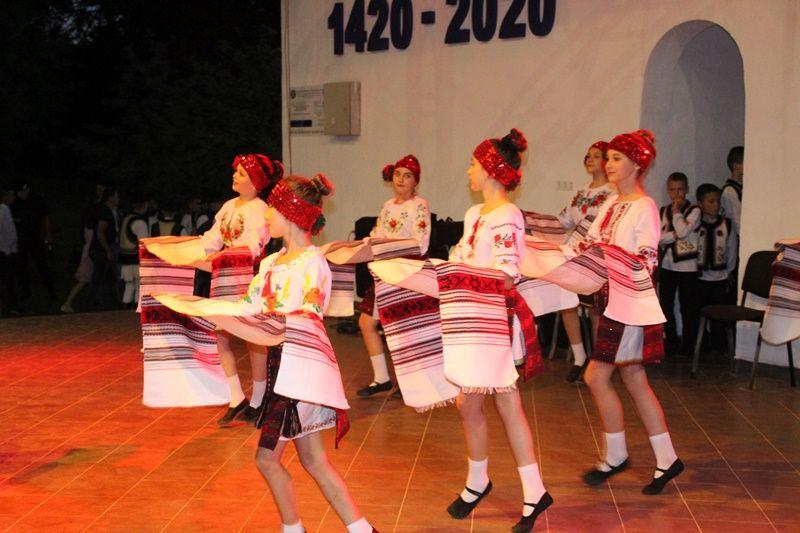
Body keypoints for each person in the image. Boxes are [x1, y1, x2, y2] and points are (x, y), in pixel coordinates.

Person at [240, 174, 377, 533]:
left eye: (272, 208)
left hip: (299, 368)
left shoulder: (312, 263)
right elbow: (248, 308)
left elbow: (307, 317)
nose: (266, 214)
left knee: (267, 459)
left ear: (290, 213)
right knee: (314, 460)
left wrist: (266, 320)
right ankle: (362, 529)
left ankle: (294, 529)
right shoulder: (270, 264)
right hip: (281, 368)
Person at [446, 129, 552, 533]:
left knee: (507, 402)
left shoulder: (508, 215)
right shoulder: (475, 214)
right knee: (467, 403)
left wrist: (462, 275)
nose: (468, 170)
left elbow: (507, 273)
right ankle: (479, 480)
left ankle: (534, 491)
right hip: (472, 318)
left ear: (491, 170)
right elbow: (463, 256)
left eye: (473, 164)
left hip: (494, 320)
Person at [580, 129, 684, 494]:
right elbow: (588, 243)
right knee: (633, 378)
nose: (608, 164)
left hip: (627, 303)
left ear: (637, 164)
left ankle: (620, 455)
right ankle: (662, 458)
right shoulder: (611, 202)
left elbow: (647, 259)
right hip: (610, 301)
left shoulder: (645, 206)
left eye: (616, 158)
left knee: (598, 377)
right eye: (607, 158)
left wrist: (611, 262)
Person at [200, 154, 274, 425]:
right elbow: (211, 240)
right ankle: (236, 397)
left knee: (253, 338)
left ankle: (259, 399)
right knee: (220, 335)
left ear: (255, 182)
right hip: (224, 277)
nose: (234, 175)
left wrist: (226, 255)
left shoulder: (261, 209)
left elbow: (254, 246)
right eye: (236, 171)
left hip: (247, 278)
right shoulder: (229, 206)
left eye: (241, 173)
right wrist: (183, 249)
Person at [357, 155, 431, 398]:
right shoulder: (388, 205)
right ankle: (382, 379)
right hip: (383, 272)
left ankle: (412, 382)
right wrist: (366, 243)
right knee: (366, 322)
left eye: (407, 175)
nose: (400, 179)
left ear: (415, 181)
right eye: (398, 174)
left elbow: (421, 243)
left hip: (404, 273)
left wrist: (387, 245)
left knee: (402, 329)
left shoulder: (419, 206)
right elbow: (376, 233)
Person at [558, 141, 614, 382]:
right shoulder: (579, 192)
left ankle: (596, 360)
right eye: (588, 155)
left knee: (595, 309)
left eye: (596, 155)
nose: (590, 159)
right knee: (567, 304)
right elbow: (564, 221)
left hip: (596, 258)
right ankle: (579, 357)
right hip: (574, 256)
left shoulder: (612, 193)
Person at [658, 172, 701, 356]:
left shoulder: (694, 210)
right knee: (666, 305)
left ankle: (689, 345)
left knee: (688, 306)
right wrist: (673, 235)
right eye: (673, 190)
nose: (676, 194)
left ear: (687, 189)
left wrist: (676, 213)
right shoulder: (663, 210)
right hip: (667, 265)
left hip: (688, 266)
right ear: (668, 191)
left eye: (680, 189)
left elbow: (683, 232)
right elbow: (658, 237)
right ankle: (671, 341)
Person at [695, 183, 736, 351]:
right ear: (700, 203)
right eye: (711, 201)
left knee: (719, 313)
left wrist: (729, 271)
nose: (716, 205)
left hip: (720, 277)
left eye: (718, 201)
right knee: (699, 311)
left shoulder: (727, 224)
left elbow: (731, 249)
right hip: (700, 277)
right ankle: (702, 344)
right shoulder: (696, 225)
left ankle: (719, 345)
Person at [61, 183, 106, 313]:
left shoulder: (88, 224)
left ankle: (81, 303)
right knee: (85, 279)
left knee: (91, 278)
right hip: (90, 252)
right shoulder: (91, 226)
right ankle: (68, 303)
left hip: (90, 250)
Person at [11, 181, 56, 301]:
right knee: (21, 266)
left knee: (42, 264)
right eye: (21, 192)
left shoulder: (37, 199)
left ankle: (51, 291)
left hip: (35, 237)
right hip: (20, 239)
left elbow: (46, 216)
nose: (23, 194)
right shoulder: (14, 202)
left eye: (25, 191)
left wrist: (48, 234)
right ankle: (25, 291)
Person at [89, 186, 121, 306]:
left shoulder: (114, 210)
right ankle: (96, 300)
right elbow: (100, 231)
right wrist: (107, 249)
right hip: (102, 248)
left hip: (111, 245)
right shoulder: (104, 211)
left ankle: (113, 299)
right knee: (100, 274)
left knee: (111, 274)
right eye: (116, 196)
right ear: (110, 198)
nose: (118, 198)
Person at [118, 193, 150, 308]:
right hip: (136, 259)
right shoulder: (140, 222)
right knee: (138, 286)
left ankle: (124, 309)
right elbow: (144, 243)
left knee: (129, 286)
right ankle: (134, 310)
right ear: (144, 205)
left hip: (125, 258)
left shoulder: (126, 219)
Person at [721, 146, 743, 303]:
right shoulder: (730, 191)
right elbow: (737, 220)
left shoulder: (741, 188)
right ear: (736, 166)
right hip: (734, 243)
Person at [0, 183, 19, 315]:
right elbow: (9, 232)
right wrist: (10, 249)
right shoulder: (4, 210)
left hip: (4, 249)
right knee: (8, 281)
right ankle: (10, 307)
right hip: (5, 251)